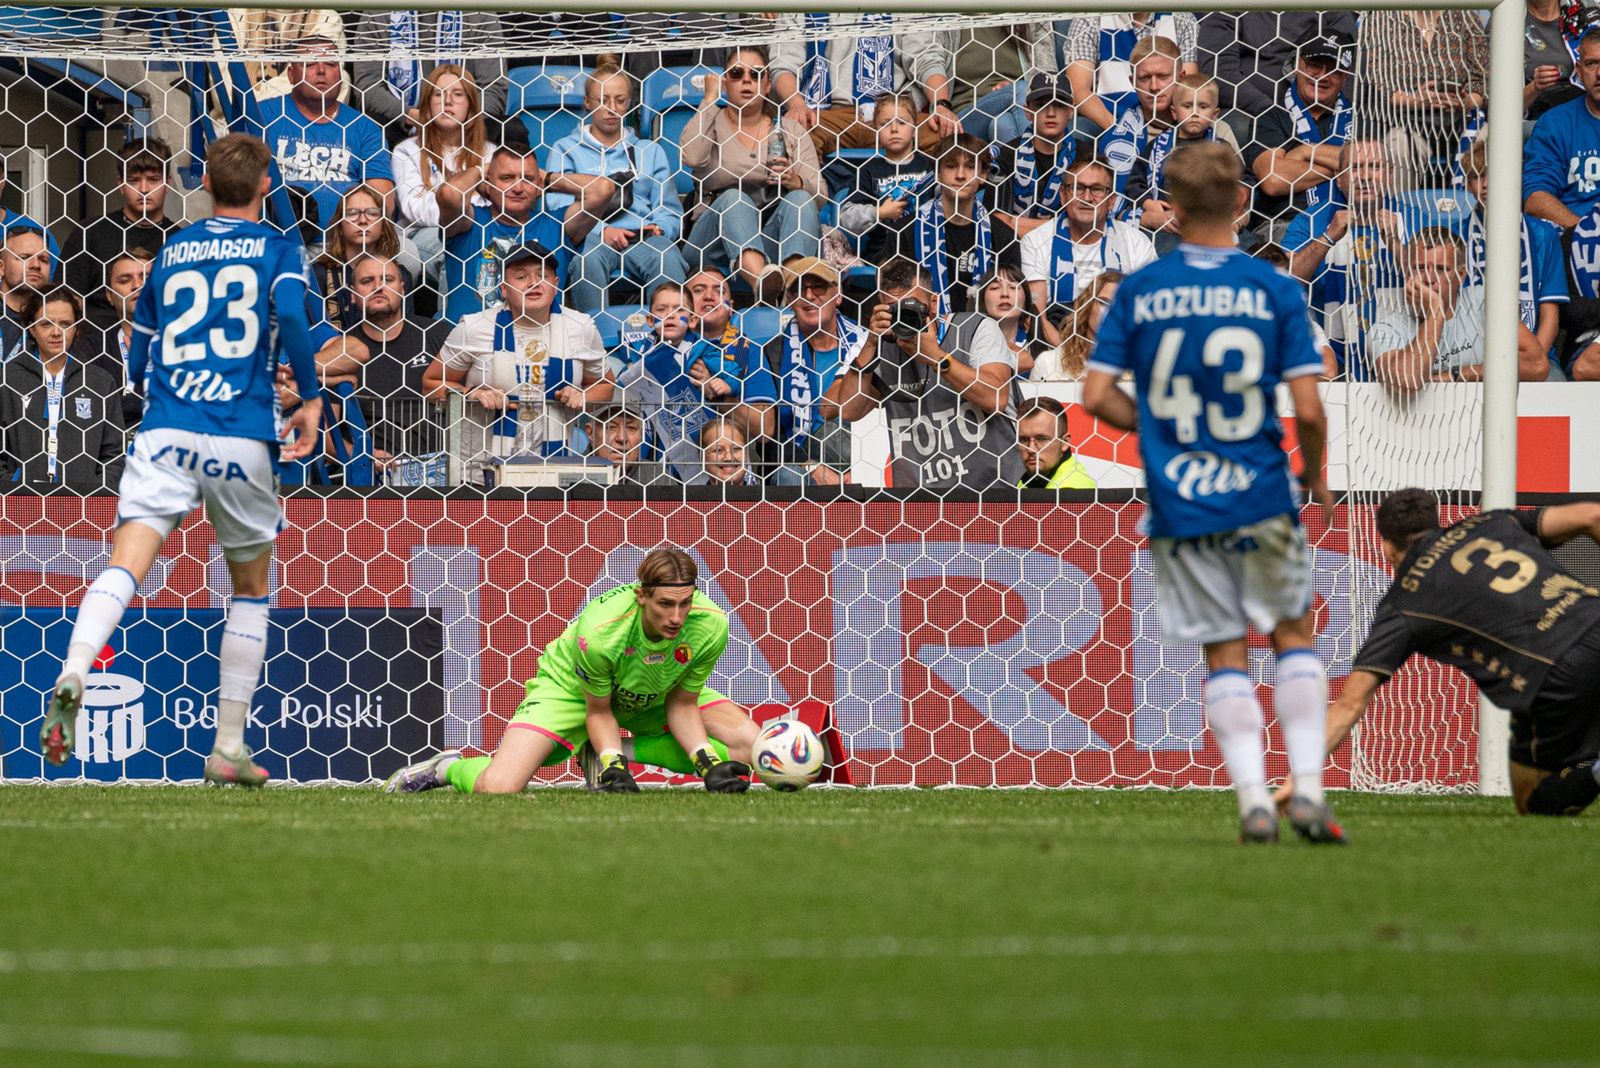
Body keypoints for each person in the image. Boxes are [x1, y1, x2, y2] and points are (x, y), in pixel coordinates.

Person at [38, 132, 325, 784]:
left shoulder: (173, 248)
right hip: (241, 431)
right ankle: (227, 747)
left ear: (203, 186)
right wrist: (309, 397)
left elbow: (138, 336)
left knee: (125, 565)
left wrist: (141, 383)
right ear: (262, 185)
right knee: (250, 589)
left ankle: (75, 671)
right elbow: (294, 317)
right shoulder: (278, 247)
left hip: (167, 429)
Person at [1082, 141, 1341, 844]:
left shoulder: (1141, 290)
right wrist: (1314, 478)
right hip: (1261, 491)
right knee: (1293, 636)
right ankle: (1310, 789)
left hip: (1181, 502)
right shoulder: (1275, 290)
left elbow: (1097, 394)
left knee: (1224, 651)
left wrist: (1160, 431)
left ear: (1170, 207)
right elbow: (1310, 411)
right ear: (1239, 201)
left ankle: (1254, 799)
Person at [1299, 489, 1600, 816]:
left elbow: (1349, 703)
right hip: (1590, 623)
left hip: (1556, 673)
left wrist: (1299, 778)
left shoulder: (1406, 601)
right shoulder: (1493, 521)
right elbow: (1592, 516)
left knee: (1533, 802)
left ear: (1386, 548)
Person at [384, 547, 757, 795]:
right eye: (664, 604)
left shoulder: (710, 624)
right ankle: (448, 768)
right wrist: (616, 765)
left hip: (656, 692)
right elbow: (599, 709)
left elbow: (683, 704)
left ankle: (605, 752)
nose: (676, 617)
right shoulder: (600, 632)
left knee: (749, 748)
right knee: (498, 786)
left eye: (685, 603)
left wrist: (706, 764)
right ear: (641, 595)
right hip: (572, 690)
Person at [422, 240, 614, 484]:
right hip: (479, 473)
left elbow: (605, 386)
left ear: (556, 285)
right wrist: (471, 393)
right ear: (504, 289)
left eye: (542, 275)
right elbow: (430, 383)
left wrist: (583, 397)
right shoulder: (475, 327)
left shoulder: (580, 327)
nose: (533, 283)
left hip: (552, 471)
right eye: (521, 276)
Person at [833, 257, 1023, 490]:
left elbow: (996, 397)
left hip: (994, 492)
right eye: (894, 309)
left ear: (933, 303)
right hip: (921, 501)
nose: (903, 318)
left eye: (911, 307)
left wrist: (937, 357)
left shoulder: (975, 328)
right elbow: (848, 410)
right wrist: (871, 344)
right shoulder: (884, 348)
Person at [544, 63, 689, 313]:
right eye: (603, 100)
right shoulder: (565, 149)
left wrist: (659, 228)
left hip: (643, 238)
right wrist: (602, 230)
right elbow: (558, 207)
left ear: (629, 102)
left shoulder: (649, 151)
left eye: (620, 100)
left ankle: (667, 340)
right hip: (591, 239)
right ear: (588, 102)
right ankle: (594, 339)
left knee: (667, 256)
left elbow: (670, 210)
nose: (612, 108)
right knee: (586, 262)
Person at [681, 47, 824, 296]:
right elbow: (691, 156)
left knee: (801, 200)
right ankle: (763, 285)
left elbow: (820, 197)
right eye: (736, 73)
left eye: (757, 74)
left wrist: (796, 180)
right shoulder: (711, 122)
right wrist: (709, 99)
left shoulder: (789, 129)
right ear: (725, 82)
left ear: (768, 85)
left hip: (768, 239)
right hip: (712, 244)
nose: (747, 80)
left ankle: (791, 287)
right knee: (735, 198)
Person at [439, 139, 612, 323]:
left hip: (537, 344)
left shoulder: (558, 225)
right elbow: (449, 194)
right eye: (506, 178)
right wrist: (482, 170)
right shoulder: (469, 223)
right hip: (469, 343)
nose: (518, 188)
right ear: (487, 184)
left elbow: (603, 190)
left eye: (527, 179)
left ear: (539, 186)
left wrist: (547, 179)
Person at [248, 37, 396, 246]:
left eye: (330, 63)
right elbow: (240, 185)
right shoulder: (262, 115)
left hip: (347, 246)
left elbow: (382, 200)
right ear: (291, 75)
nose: (321, 70)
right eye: (309, 63)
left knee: (410, 256)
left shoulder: (365, 128)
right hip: (275, 242)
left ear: (342, 75)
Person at [1284, 138, 1409, 380]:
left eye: (1374, 167)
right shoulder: (1312, 221)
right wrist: (1328, 238)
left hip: (1402, 363)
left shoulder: (1413, 217)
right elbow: (1283, 284)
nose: (1364, 177)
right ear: (1339, 178)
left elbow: (1438, 285)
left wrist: (1395, 241)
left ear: (1390, 174)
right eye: (1355, 168)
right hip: (1333, 368)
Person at [1369, 228, 1551, 388]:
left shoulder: (1482, 302)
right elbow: (1406, 379)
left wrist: (1455, 375)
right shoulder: (1386, 329)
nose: (1429, 278)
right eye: (1420, 268)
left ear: (1461, 275)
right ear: (1408, 274)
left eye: (1441, 269)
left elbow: (1536, 365)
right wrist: (1436, 312)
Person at [744, 257, 867, 485]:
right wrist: (812, 467)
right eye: (799, 290)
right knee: (786, 476)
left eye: (818, 287)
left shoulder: (865, 344)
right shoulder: (772, 353)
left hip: (861, 449)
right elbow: (771, 440)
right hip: (803, 463)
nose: (809, 296)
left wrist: (865, 465)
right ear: (790, 301)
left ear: (838, 295)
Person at [769, 14, 959, 156]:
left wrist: (941, 105)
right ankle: (812, 203)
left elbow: (926, 58)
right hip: (824, 115)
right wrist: (797, 105)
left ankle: (920, 206)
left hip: (890, 114)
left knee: (946, 137)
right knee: (790, 136)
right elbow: (783, 63)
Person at [1459, 140, 1568, 380]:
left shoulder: (1543, 235)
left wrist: (1535, 360)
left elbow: (1550, 314)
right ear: (1468, 184)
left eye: (1494, 174)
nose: (1486, 184)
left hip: (1536, 353)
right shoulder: (1457, 235)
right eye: (1478, 177)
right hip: (1471, 353)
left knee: (1554, 386)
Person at [0, 286, 126, 492]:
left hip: (84, 505)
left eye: (66, 324)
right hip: (19, 503)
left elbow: (114, 453)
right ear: (31, 328)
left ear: (76, 328)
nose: (57, 332)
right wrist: (11, 487)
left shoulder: (99, 382)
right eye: (46, 324)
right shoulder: (7, 380)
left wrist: (95, 490)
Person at [1020, 157, 1156, 346]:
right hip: (1055, 348)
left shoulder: (1136, 242)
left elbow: (1149, 310)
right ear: (1063, 195)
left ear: (1111, 201)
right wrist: (1070, 358)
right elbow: (1035, 318)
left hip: (1120, 349)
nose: (1086, 197)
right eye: (1078, 187)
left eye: (1097, 189)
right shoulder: (1035, 241)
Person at [1240, 33, 1355, 241]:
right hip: (1285, 224)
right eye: (1315, 65)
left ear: (1345, 76)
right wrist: (1347, 167)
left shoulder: (1358, 117)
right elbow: (1274, 180)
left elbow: (1372, 166)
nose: (1322, 75)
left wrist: (1304, 152)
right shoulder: (1271, 117)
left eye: (1333, 69)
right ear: (1298, 65)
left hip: (1350, 221)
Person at [1358, 10, 1488, 190]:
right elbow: (1379, 85)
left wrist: (1464, 103)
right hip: (1406, 122)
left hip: (1462, 120)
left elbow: (1481, 80)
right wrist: (1415, 100)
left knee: (1488, 139)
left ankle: (1476, 214)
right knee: (1399, 148)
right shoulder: (1381, 20)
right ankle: (1399, 213)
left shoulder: (1465, 17)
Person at [391, 65, 495, 290]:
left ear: (471, 104)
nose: (448, 101)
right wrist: (462, 204)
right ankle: (450, 322)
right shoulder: (407, 151)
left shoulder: (490, 153)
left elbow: (498, 206)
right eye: (438, 94)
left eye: (457, 94)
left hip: (483, 233)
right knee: (453, 249)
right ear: (427, 103)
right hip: (425, 235)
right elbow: (415, 208)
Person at [347, 253, 449, 465]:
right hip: (374, 478)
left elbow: (465, 392)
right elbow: (326, 428)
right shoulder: (343, 350)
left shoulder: (435, 333)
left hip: (439, 473)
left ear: (403, 288)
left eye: (388, 280)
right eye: (367, 281)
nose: (378, 287)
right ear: (352, 294)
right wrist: (362, 457)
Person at [348, 9, 507, 140]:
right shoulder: (378, 12)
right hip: (400, 123)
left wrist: (456, 118)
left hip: (466, 124)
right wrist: (410, 115)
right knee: (368, 127)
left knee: (510, 130)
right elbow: (367, 86)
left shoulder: (480, 12)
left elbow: (494, 88)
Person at [1127, 75, 1243, 254]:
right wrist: (1148, 202)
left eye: (1203, 107)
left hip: (1214, 223)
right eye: (1187, 106)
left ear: (1215, 114)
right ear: (1174, 112)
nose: (1195, 113)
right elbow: (1135, 181)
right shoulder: (1157, 147)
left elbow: (1242, 181)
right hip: (1170, 225)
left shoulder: (1221, 148)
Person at [912, 135, 1018, 317]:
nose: (960, 175)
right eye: (951, 166)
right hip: (924, 335)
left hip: (985, 338)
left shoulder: (1004, 237)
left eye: (970, 167)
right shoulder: (908, 230)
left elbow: (1013, 299)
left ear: (983, 175)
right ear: (937, 173)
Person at [60, 138, 179, 300]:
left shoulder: (181, 241)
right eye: (134, 180)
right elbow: (65, 304)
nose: (144, 189)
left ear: (168, 183)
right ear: (120, 184)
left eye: (153, 179)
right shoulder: (89, 234)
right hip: (100, 325)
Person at [989, 73, 1096, 240]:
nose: (1051, 113)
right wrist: (1059, 224)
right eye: (1041, 105)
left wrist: (1019, 223)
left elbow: (1088, 223)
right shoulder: (1008, 154)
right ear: (1027, 111)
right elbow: (999, 223)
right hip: (1014, 251)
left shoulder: (1087, 157)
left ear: (1071, 111)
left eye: (1059, 105)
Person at [1061, 12, 1199, 141]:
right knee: (1078, 130)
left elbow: (1189, 88)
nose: (1154, 86)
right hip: (1109, 120)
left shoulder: (1182, 19)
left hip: (1169, 121)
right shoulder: (1090, 18)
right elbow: (1078, 89)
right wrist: (1121, 131)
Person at [832, 93, 935, 265]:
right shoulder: (868, 171)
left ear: (915, 128)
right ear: (876, 130)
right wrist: (879, 213)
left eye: (902, 122)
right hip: (883, 252)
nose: (894, 129)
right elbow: (846, 216)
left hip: (925, 246)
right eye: (885, 123)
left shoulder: (929, 166)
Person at [1196, 12, 1357, 115]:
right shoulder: (1228, 7)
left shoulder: (1332, 8)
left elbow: (1347, 59)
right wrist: (1268, 110)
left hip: (1318, 107)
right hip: (1250, 111)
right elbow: (1218, 70)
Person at [314, 183, 419, 332]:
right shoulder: (320, 273)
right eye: (352, 213)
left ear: (383, 225)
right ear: (340, 225)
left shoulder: (399, 275)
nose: (362, 220)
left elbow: (405, 333)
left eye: (372, 213)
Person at [79, 249, 153, 428]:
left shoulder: (186, 342)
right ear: (110, 296)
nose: (138, 285)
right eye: (125, 280)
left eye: (146, 277)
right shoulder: (92, 349)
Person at [1030, 268, 1122, 382]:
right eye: (1103, 302)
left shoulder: (1140, 367)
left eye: (1120, 306)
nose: (1108, 312)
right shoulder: (1049, 362)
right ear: (1087, 304)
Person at [1521, 0, 1589, 121]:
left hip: (1587, 104)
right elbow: (1501, 107)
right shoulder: (1507, 18)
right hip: (1538, 115)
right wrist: (1535, 87)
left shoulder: (1585, 12)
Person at [978, 264, 1044, 377]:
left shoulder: (1040, 351)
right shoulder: (969, 347)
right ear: (982, 299)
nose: (1005, 294)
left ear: (1027, 299)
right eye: (995, 288)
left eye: (1013, 287)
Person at [1016, 397, 1094, 489]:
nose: (1031, 449)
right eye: (1024, 440)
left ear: (1065, 442)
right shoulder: (1027, 481)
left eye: (1042, 439)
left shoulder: (1073, 490)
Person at [588, 399, 671, 486]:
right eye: (611, 427)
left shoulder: (657, 478)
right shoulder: (574, 471)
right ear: (591, 433)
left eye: (631, 428)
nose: (622, 438)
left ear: (642, 435)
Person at [1, 226, 53, 357]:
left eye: (43, 260)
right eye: (24, 257)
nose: (35, 265)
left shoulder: (57, 319)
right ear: (1, 267)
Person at [700, 416, 758, 486]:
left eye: (736, 449)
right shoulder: (688, 496)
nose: (729, 458)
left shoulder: (764, 497)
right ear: (702, 457)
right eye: (718, 450)